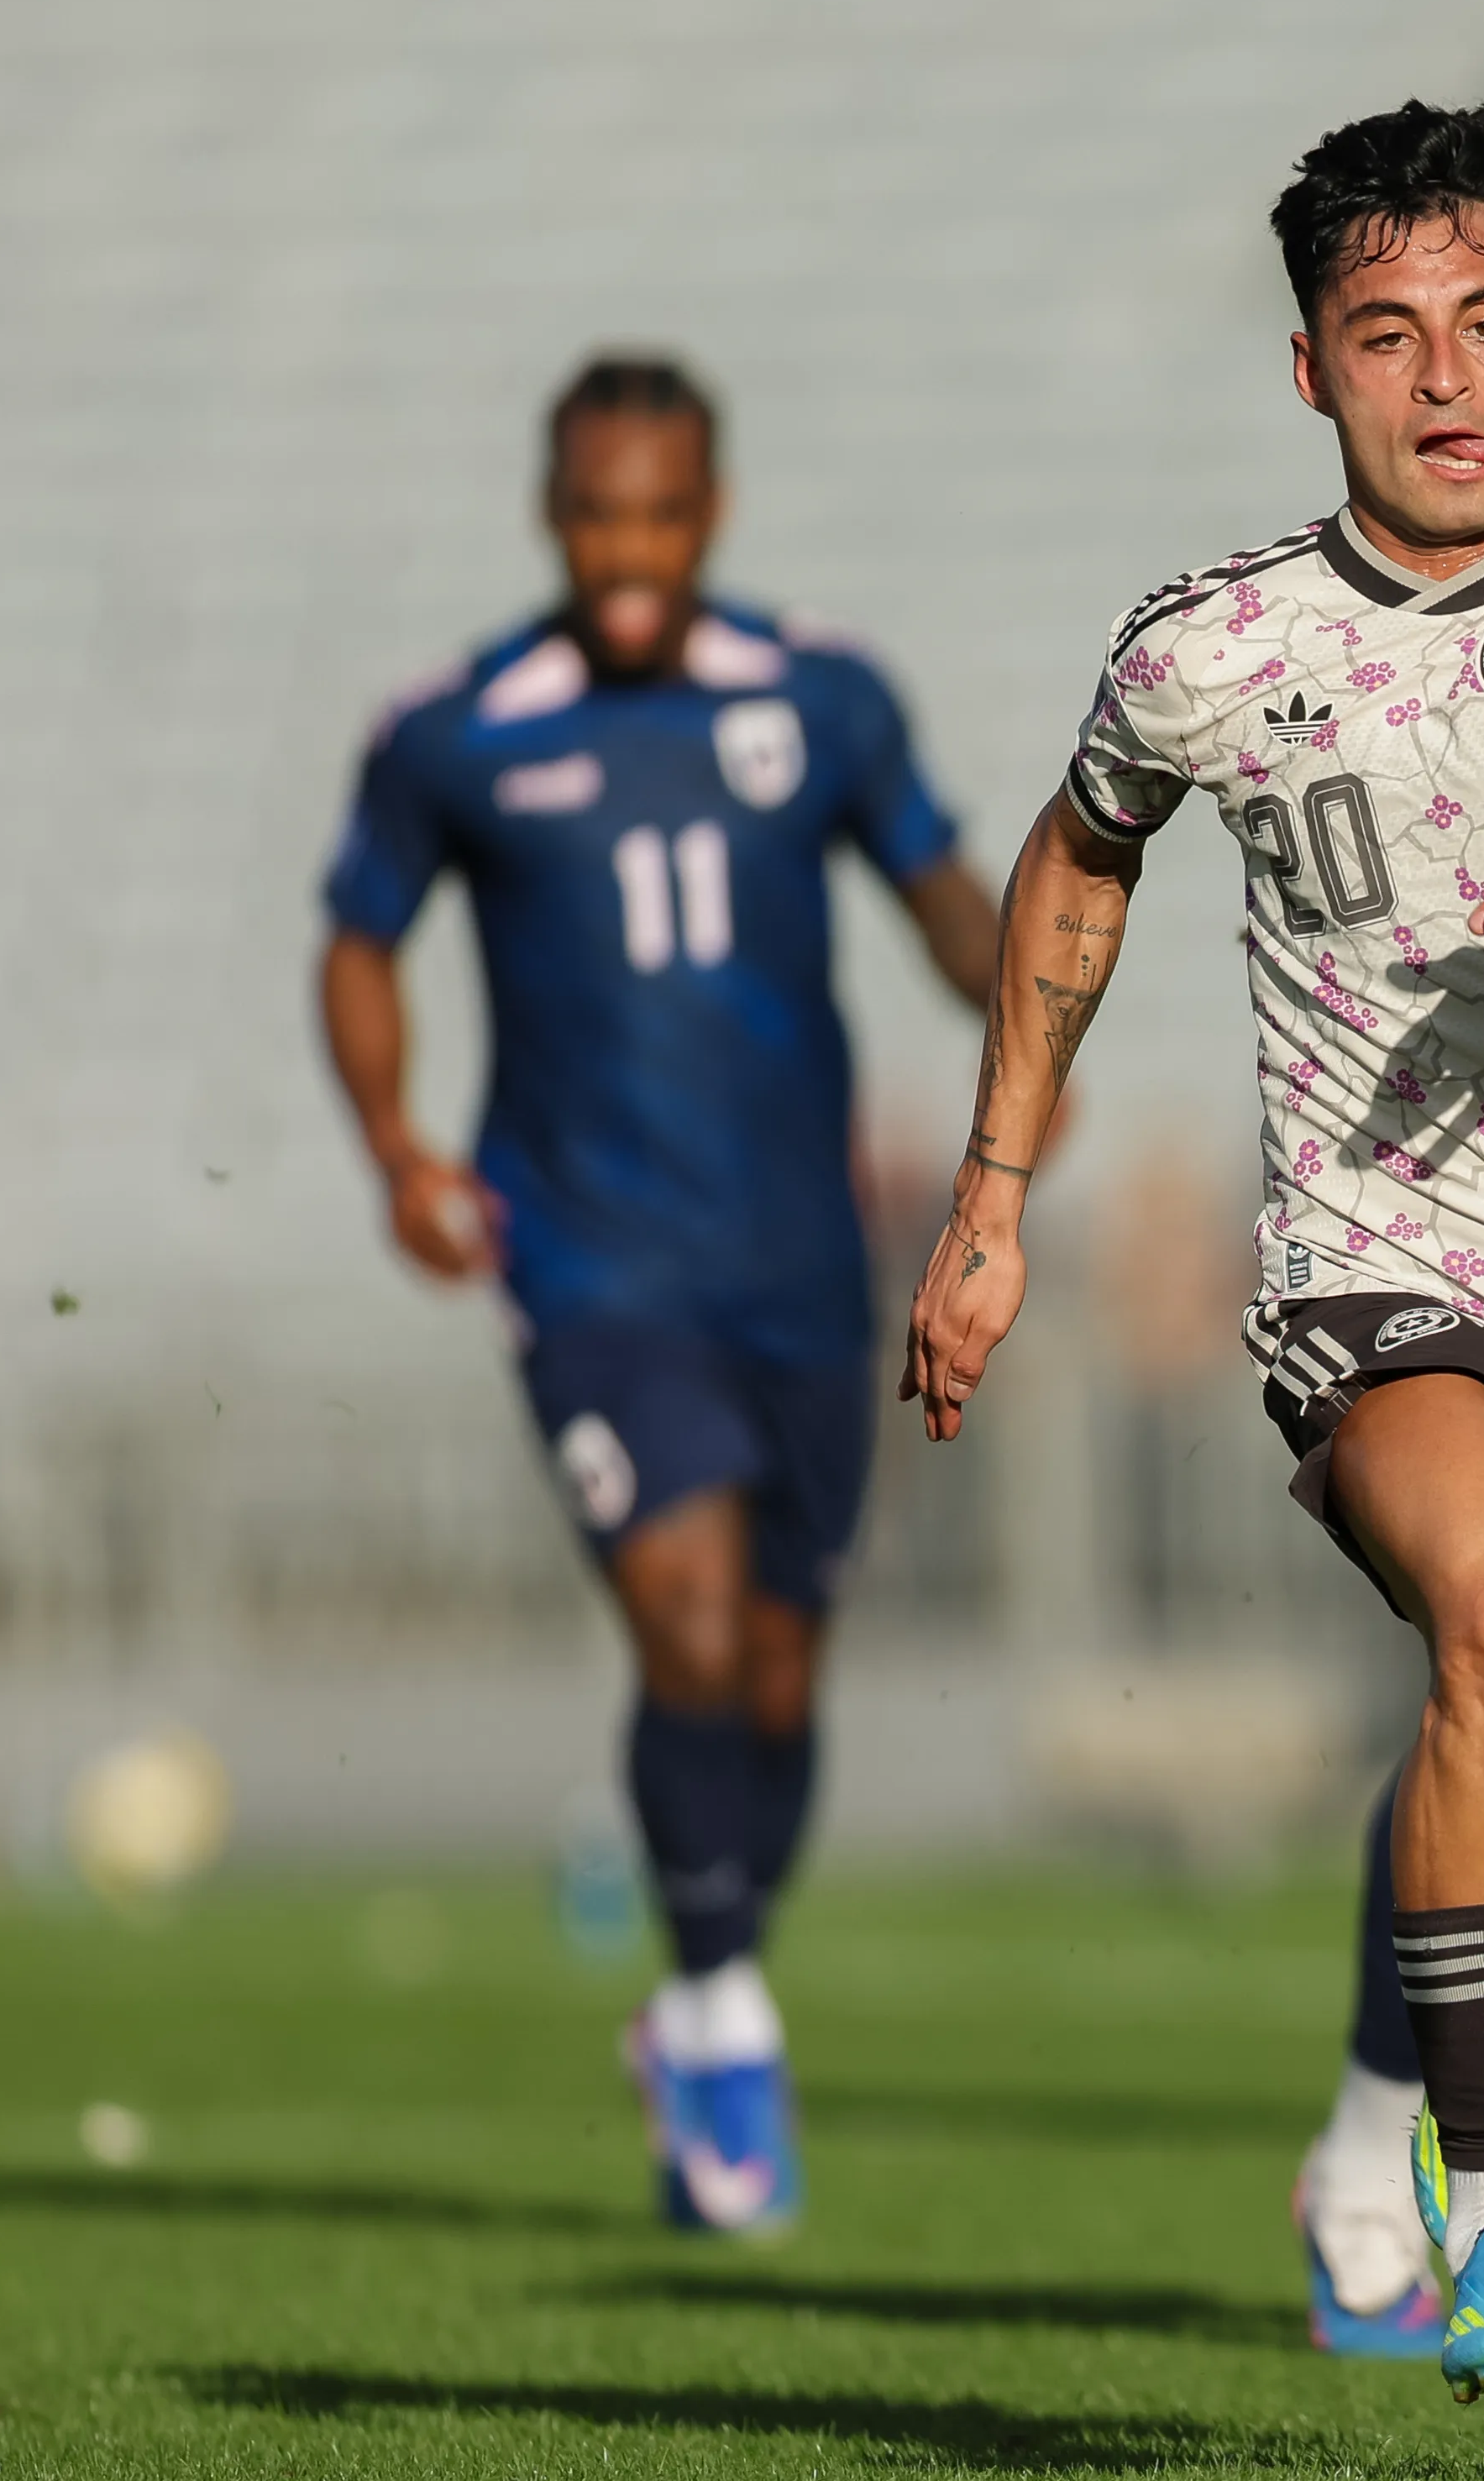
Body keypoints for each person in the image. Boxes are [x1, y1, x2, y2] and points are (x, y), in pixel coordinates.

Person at [899, 99, 1484, 2407]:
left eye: (1481, 328)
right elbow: (1078, 859)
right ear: (1311, 372)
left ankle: (1398, 2097)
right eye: (1381, 336)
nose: (1441, 383)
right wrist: (997, 1186)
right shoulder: (1215, 648)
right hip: (1383, 1273)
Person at [316, 354, 997, 2234]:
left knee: (776, 1672)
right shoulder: (456, 730)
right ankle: (717, 2015)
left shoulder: (824, 695)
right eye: (597, 515)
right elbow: (357, 942)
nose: (628, 552)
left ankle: (704, 1979)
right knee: (688, 1622)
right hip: (591, 1256)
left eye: (661, 515)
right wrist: (395, 1149)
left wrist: (1016, 1025)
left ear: (715, 509)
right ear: (551, 513)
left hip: (801, 1266)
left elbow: (942, 890)